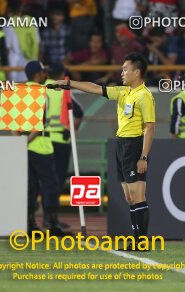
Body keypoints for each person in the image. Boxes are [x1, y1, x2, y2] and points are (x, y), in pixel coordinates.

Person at [54, 53, 155, 250]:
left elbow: (149, 127)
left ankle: (141, 242)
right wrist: (70, 83)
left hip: (134, 145)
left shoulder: (144, 95)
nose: (122, 72)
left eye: (125, 69)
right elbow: (94, 88)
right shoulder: (124, 92)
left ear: (137, 72)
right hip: (121, 145)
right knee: (129, 197)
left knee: (138, 195)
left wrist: (143, 156)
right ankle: (137, 240)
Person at [16, 60, 69, 236]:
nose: (44, 75)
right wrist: (29, 140)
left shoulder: (18, 91)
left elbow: (13, 124)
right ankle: (52, 224)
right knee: (51, 184)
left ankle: (29, 224)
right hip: (41, 146)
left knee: (30, 185)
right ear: (38, 75)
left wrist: (20, 143)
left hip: (24, 148)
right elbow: (39, 125)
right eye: (42, 73)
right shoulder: (41, 92)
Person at [44, 62, 84, 228]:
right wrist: (74, 129)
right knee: (57, 181)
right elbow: (79, 112)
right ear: (62, 74)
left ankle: (44, 219)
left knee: (44, 181)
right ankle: (52, 220)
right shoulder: (63, 89)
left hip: (43, 141)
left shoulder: (42, 88)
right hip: (61, 141)